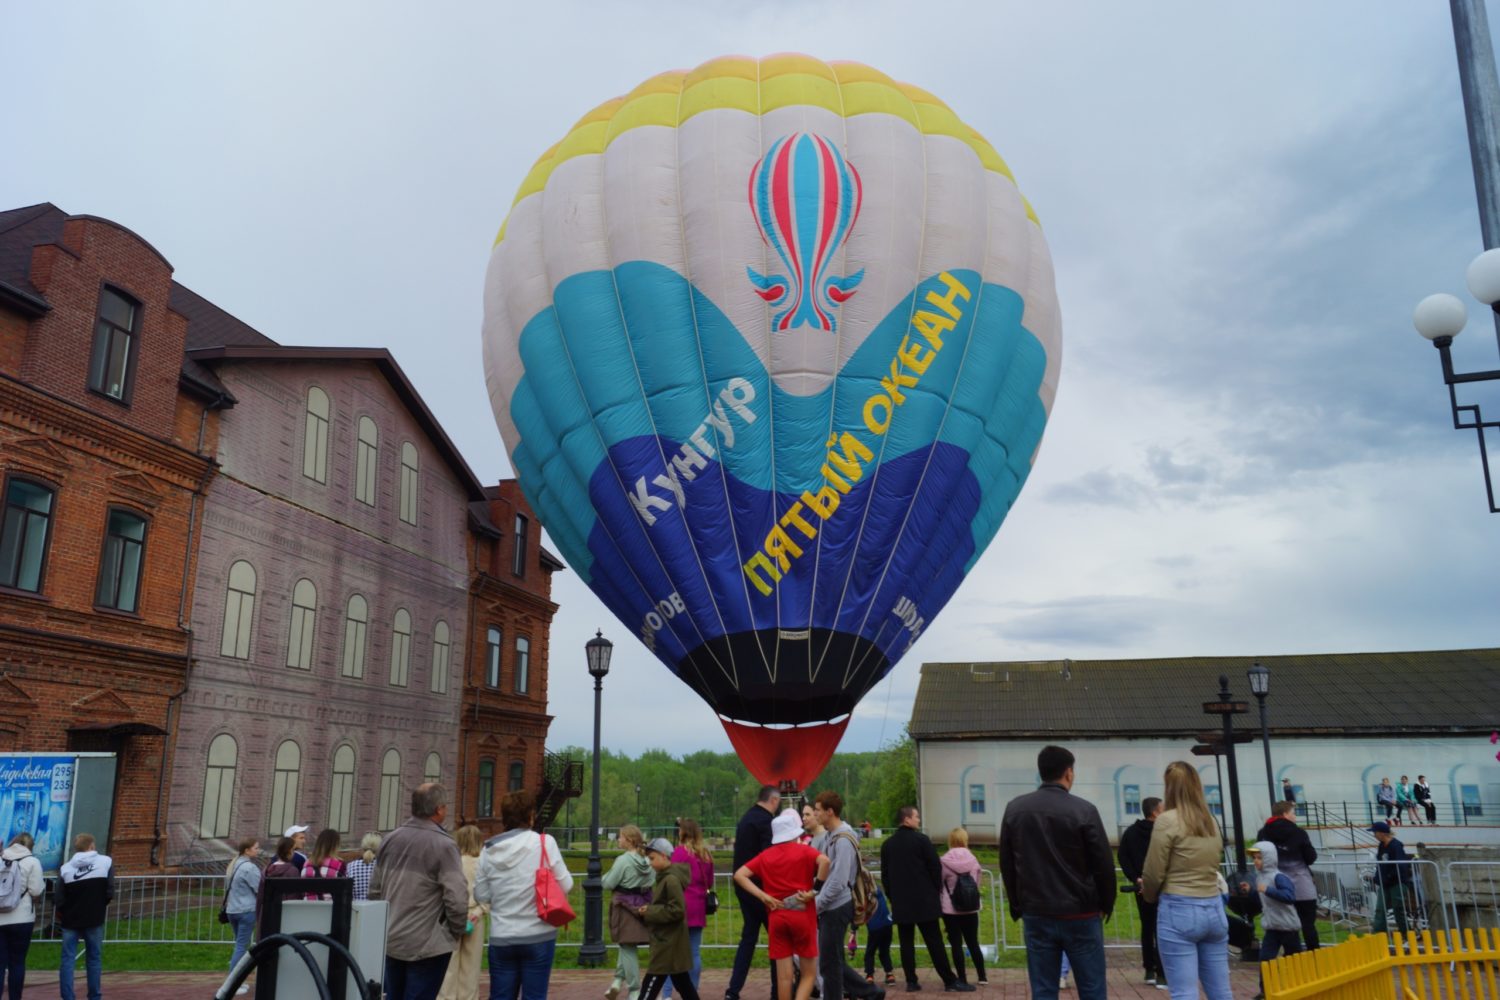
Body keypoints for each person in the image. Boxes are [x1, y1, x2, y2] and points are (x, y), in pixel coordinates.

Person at [999, 746, 1113, 1000]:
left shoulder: (1015, 809)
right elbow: (1103, 864)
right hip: (1081, 912)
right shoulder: (1084, 810)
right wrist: (1106, 903)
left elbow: (1007, 862)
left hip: (1037, 910)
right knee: (1093, 988)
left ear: (1041, 772)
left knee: (1043, 990)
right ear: (1069, 773)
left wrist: (1018, 904)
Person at [368, 782, 468, 1000]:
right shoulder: (444, 845)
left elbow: (374, 891)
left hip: (392, 938)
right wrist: (455, 931)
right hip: (427, 943)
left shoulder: (390, 839)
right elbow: (457, 898)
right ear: (439, 809)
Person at [1141, 762, 1230, 1000]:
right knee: (1221, 991)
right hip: (1213, 907)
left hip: (1179, 907)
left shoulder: (1167, 820)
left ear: (1169, 787)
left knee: (1184, 992)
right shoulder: (1209, 820)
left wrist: (1149, 894)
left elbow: (1153, 870)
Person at [473, 790, 572, 1000]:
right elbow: (567, 884)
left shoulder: (488, 851)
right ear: (530, 816)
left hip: (502, 935)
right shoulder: (545, 843)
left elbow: (481, 894)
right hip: (538, 934)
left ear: (505, 817)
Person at [735, 808, 828, 1000]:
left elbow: (739, 875)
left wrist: (763, 896)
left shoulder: (766, 855)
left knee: (784, 979)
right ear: (795, 833)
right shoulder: (804, 851)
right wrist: (814, 891)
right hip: (802, 914)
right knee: (809, 973)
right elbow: (825, 861)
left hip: (777, 914)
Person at [881, 806, 972, 993]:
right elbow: (935, 869)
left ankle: (911, 981)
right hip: (925, 901)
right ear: (907, 820)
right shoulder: (922, 841)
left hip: (901, 902)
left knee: (906, 943)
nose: (919, 820)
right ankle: (949, 980)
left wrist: (893, 896)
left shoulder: (888, 845)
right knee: (934, 942)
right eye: (916, 817)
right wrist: (935, 891)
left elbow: (885, 876)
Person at [811, 792, 884, 1000]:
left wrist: (818, 903)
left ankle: (848, 995)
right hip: (831, 906)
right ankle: (871, 993)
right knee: (833, 960)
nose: (815, 814)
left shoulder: (842, 840)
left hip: (836, 906)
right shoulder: (830, 836)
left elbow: (838, 880)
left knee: (829, 963)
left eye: (817, 810)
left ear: (829, 811)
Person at [727, 784, 781, 1000]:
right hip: (762, 890)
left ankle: (733, 990)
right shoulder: (766, 822)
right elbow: (769, 857)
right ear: (774, 801)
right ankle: (779, 990)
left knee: (748, 938)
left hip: (743, 887)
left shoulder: (746, 819)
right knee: (777, 940)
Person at [638, 838, 701, 1000]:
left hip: (667, 942)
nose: (650, 862)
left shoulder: (671, 880)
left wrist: (650, 912)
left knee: (651, 982)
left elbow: (677, 910)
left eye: (652, 858)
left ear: (664, 856)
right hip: (670, 941)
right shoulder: (666, 877)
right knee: (684, 984)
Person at [56, 832, 115, 1000]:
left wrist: (63, 913)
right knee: (94, 959)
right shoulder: (106, 862)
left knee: (67, 959)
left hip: (70, 919)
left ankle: (67, 996)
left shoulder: (66, 868)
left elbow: (59, 897)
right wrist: (100, 905)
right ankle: (94, 996)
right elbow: (110, 890)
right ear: (92, 846)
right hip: (94, 917)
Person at [1254, 801, 1319, 950]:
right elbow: (1311, 857)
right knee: (1308, 925)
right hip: (1301, 885)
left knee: (1283, 925)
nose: (1295, 817)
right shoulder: (1298, 832)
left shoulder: (1262, 834)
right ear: (1284, 814)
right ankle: (1314, 958)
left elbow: (1258, 857)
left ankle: (1290, 957)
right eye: (1293, 813)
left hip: (1275, 885)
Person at [664, 819, 715, 998]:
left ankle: (667, 994)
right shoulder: (706, 855)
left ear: (683, 833)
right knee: (694, 951)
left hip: (681, 906)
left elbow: (671, 879)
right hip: (698, 907)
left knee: (673, 953)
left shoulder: (679, 853)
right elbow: (710, 881)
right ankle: (691, 991)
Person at [1118, 796, 1165, 985]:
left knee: (1147, 927)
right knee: (1161, 929)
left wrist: (1136, 878)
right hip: (1162, 887)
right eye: (1163, 808)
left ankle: (1149, 970)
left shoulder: (1131, 832)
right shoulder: (1162, 832)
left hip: (1141, 888)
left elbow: (1123, 857)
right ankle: (1163, 972)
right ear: (1155, 812)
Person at [605, 824, 656, 1000]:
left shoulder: (623, 861)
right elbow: (652, 879)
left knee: (627, 945)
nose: (618, 840)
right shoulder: (648, 861)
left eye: (620, 837)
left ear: (628, 840)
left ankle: (634, 990)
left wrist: (605, 878)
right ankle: (617, 980)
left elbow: (608, 883)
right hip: (644, 906)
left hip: (625, 907)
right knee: (627, 945)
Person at [1245, 843, 1301, 1000]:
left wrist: (1268, 890)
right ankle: (1265, 991)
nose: (1256, 861)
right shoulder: (1260, 878)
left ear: (1268, 859)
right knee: (1266, 958)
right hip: (1272, 926)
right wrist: (1251, 891)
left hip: (1288, 927)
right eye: (1254, 858)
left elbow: (1289, 897)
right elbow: (1262, 900)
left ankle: (1299, 986)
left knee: (1294, 958)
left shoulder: (1279, 877)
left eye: (1259, 858)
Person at [437, 825, 487, 1000]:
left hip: (452, 915)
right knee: (471, 968)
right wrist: (480, 912)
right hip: (475, 916)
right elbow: (489, 894)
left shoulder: (453, 863)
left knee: (449, 967)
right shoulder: (483, 864)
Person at [0, 832, 44, 999]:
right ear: (30, 846)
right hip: (23, 918)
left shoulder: (1, 859)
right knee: (17, 962)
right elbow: (36, 890)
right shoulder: (32, 862)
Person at [939, 828, 985, 987]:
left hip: (950, 908)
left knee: (956, 944)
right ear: (965, 840)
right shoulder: (973, 859)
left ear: (950, 840)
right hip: (970, 907)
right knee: (973, 942)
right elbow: (978, 881)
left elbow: (939, 883)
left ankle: (962, 978)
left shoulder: (944, 861)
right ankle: (982, 976)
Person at [225, 837, 263, 995]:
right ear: (247, 850)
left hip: (232, 910)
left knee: (239, 945)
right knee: (241, 947)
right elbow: (259, 888)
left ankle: (236, 981)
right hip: (246, 910)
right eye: (255, 848)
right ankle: (234, 983)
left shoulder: (233, 865)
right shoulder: (249, 868)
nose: (258, 850)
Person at [1368, 821, 1415, 936]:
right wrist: (1377, 877)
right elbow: (1380, 863)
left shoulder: (1396, 845)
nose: (1374, 835)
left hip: (1397, 882)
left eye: (1375, 832)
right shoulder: (1381, 846)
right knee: (1380, 909)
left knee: (1398, 909)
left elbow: (1400, 865)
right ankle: (1378, 934)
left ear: (1382, 833)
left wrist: (1388, 877)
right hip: (1385, 883)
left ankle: (1406, 933)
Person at [863, 887, 896, 988]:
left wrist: (853, 929)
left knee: (870, 953)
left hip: (874, 927)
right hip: (888, 924)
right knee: (884, 951)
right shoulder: (878, 890)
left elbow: (859, 912)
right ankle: (890, 974)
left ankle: (869, 976)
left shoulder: (862, 894)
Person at [301, 827, 347, 899]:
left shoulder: (306, 863)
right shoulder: (339, 864)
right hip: (329, 908)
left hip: (307, 906)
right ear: (335, 845)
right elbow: (344, 890)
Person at [348, 832, 382, 901]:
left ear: (362, 847)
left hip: (356, 909)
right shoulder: (382, 867)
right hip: (378, 909)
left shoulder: (350, 866)